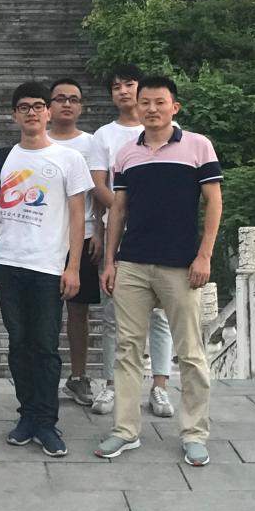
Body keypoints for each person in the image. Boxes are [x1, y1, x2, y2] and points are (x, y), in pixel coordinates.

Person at [96, 76, 222, 467]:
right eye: (145, 102)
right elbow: (118, 210)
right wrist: (110, 261)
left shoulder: (197, 146)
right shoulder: (126, 154)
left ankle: (194, 433)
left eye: (159, 102)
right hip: (133, 263)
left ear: (174, 107)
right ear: (137, 106)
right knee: (127, 350)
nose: (151, 109)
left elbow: (214, 203)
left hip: (180, 265)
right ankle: (125, 429)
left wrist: (204, 256)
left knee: (191, 352)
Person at [0, 82, 92, 458]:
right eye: (24, 107)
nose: (31, 112)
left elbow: (78, 216)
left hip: (47, 266)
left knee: (44, 346)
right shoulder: (2, 158)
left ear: (48, 112)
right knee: (18, 343)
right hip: (8, 262)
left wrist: (73, 266)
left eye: (38, 106)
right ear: (14, 115)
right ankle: (27, 414)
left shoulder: (68, 159)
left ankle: (46, 421)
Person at [89, 65, 175, 419]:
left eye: (129, 85)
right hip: (119, 233)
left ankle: (160, 386)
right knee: (114, 314)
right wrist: (122, 215)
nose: (123, 91)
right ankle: (113, 383)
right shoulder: (104, 136)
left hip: (161, 234)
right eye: (116, 87)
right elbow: (98, 185)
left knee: (160, 315)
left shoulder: (168, 131)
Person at [47, 78, 102, 406]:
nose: (66, 104)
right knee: (45, 311)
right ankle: (44, 374)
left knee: (79, 311)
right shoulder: (37, 141)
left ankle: (78, 376)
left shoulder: (92, 144)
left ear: (81, 107)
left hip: (82, 237)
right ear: (48, 106)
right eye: (60, 99)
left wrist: (100, 231)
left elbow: (99, 192)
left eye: (73, 99)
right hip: (44, 240)